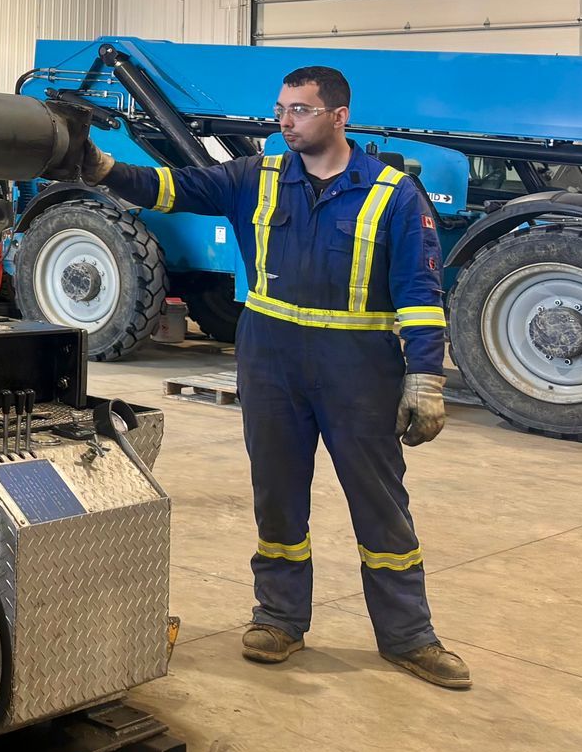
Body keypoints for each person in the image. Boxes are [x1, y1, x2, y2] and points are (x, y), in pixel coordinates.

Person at [81, 65, 470, 690]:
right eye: (281, 109)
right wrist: (99, 167)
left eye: (301, 110)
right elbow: (168, 189)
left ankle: (409, 637)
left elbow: (421, 296)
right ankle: (280, 619)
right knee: (278, 494)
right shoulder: (252, 178)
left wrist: (425, 378)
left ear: (340, 117)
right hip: (271, 358)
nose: (285, 121)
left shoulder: (394, 194)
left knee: (380, 504)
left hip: (359, 367)